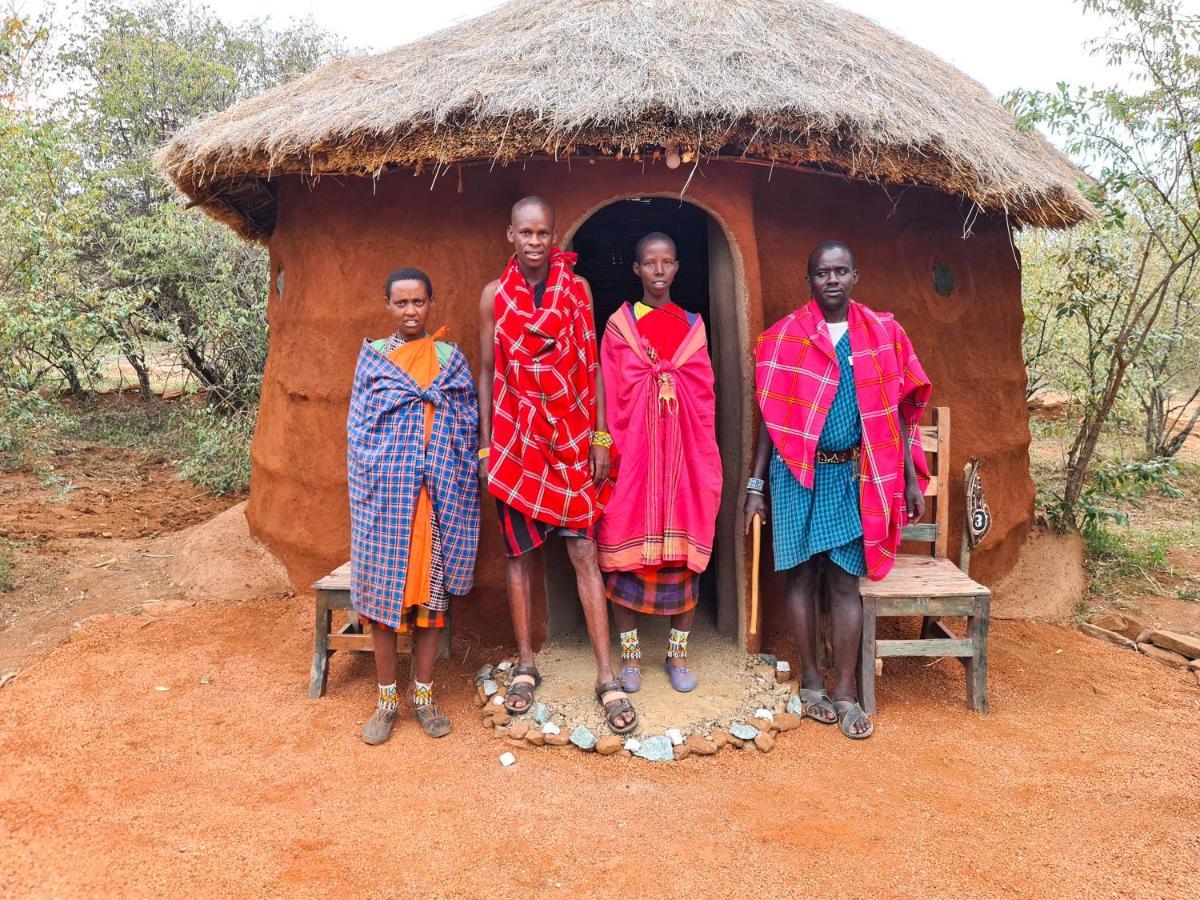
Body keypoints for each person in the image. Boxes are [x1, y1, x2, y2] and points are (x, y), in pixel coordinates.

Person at [745, 241, 931, 739]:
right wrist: (755, 485)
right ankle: (810, 682)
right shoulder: (783, 339)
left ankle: (846, 690)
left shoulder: (883, 335)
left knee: (846, 582)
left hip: (854, 475)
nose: (832, 280)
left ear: (855, 277)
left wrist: (909, 479)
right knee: (803, 580)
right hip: (796, 474)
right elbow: (770, 416)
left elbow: (899, 414)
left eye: (841, 271)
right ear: (809, 281)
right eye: (822, 272)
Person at [477, 196, 638, 734]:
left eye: (544, 233)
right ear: (510, 235)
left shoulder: (578, 290)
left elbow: (591, 365)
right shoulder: (493, 297)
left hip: (570, 439)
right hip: (517, 443)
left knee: (584, 551)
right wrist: (485, 447)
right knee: (520, 557)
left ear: (553, 237)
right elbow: (486, 373)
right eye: (526, 232)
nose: (535, 241)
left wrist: (597, 436)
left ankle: (606, 675)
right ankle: (526, 664)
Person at [348, 267, 480, 745]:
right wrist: (393, 469)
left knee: (431, 602)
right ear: (387, 305)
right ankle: (386, 702)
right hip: (385, 502)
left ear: (431, 303)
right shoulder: (375, 361)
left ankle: (422, 696)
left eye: (418, 303)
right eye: (401, 303)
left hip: (436, 497)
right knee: (385, 604)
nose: (410, 312)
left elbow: (467, 423)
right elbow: (360, 432)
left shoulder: (449, 359)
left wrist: (442, 463)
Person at [597, 232, 722, 694]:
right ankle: (629, 656)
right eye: (650, 263)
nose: (658, 270)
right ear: (636, 269)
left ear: (676, 268)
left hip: (683, 462)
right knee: (622, 555)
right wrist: (604, 440)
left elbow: (704, 395)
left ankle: (677, 652)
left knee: (685, 559)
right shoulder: (619, 326)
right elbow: (608, 388)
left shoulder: (693, 327)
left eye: (667, 262)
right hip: (634, 461)